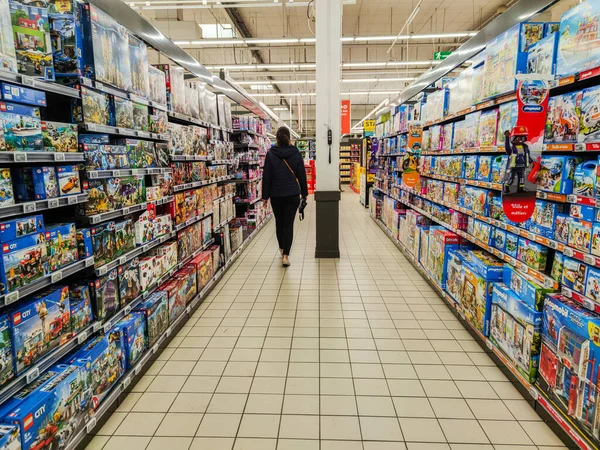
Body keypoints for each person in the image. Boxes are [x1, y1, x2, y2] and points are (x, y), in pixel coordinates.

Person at [262, 126, 308, 267]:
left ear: (276, 138)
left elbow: (267, 177)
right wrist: (304, 194)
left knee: (279, 223)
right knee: (288, 224)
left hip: (276, 195)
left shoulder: (270, 154)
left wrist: (265, 197)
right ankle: (286, 256)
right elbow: (301, 175)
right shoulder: (295, 153)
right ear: (289, 138)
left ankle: (282, 248)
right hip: (292, 194)